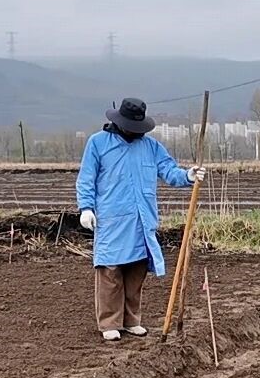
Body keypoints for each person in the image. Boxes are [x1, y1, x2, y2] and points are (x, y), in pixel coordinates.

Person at [76, 97, 203, 341]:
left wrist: (188, 175)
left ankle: (131, 320)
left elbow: (169, 171)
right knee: (110, 271)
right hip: (112, 219)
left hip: (141, 219)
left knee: (136, 271)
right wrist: (86, 207)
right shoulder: (98, 144)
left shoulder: (151, 146)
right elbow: (86, 178)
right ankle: (109, 323)